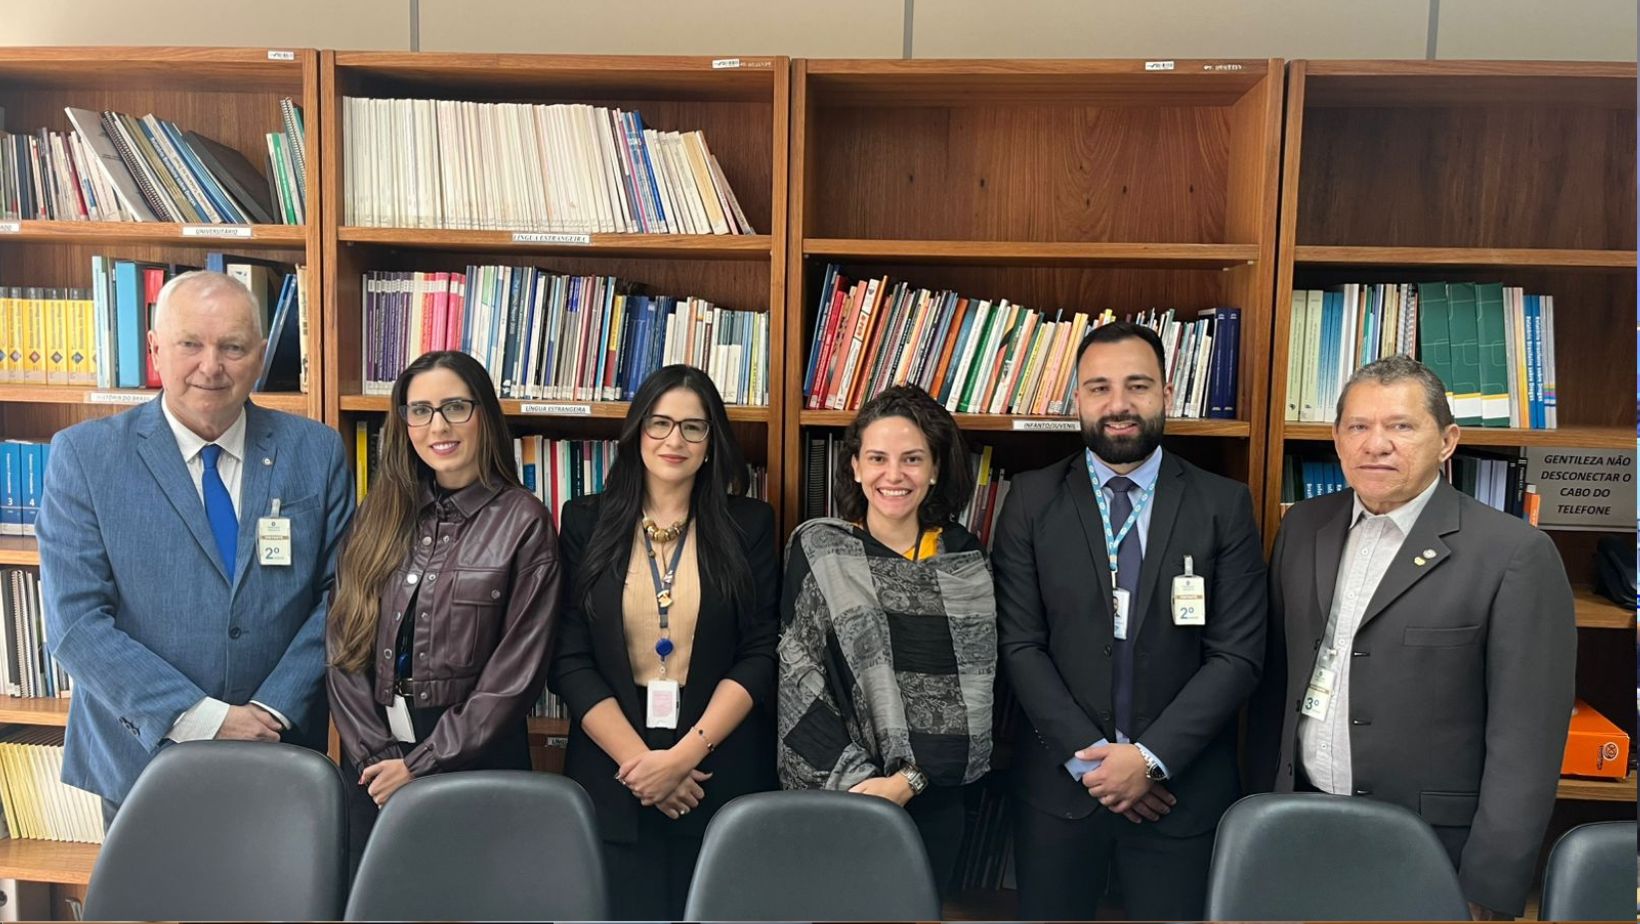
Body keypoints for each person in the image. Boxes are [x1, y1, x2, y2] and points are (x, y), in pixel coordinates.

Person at [1247, 354, 1574, 920]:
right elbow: (1276, 682)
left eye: (1401, 426)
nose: (1376, 445)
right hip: (1299, 822)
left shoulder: (1514, 554)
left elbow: (1527, 743)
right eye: (1358, 426)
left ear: (1447, 441)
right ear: (1336, 439)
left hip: (1433, 850)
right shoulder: (1302, 526)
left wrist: (1488, 885)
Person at [37, 270, 354, 824]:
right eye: (190, 344)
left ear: (260, 355)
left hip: (279, 749)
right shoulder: (85, 456)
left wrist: (270, 711)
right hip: (142, 758)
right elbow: (75, 623)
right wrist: (204, 719)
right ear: (155, 349)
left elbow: (344, 596)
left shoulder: (317, 451)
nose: (211, 366)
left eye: (233, 347)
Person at [991, 322, 1266, 921]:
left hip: (1180, 794)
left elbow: (1237, 657)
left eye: (1137, 386)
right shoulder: (1031, 500)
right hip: (1060, 795)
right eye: (1099, 388)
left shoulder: (1223, 504)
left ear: (1167, 393)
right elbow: (1019, 645)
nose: (1118, 404)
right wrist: (1097, 766)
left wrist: (1148, 760)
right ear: (1077, 400)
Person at [547, 364, 778, 920]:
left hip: (716, 764)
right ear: (636, 432)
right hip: (614, 768)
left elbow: (761, 651)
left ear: (712, 442)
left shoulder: (750, 524)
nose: (675, 440)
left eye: (693, 427)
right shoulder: (585, 521)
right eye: (660, 423)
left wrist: (682, 758)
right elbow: (568, 656)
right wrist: (642, 765)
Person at [326, 350, 559, 858]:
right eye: (421, 410)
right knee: (380, 895)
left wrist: (421, 764)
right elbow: (343, 647)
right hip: (375, 760)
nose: (438, 426)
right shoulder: (378, 514)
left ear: (484, 415)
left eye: (455, 407)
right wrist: (378, 757)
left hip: (476, 757)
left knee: (474, 893)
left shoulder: (524, 522)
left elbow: (515, 675)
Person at [777, 383, 995, 899]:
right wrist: (859, 783)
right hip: (837, 796)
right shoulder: (819, 548)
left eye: (912, 459)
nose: (893, 475)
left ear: (935, 468)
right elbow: (797, 676)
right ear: (855, 466)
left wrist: (906, 782)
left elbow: (974, 693)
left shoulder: (965, 561)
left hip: (932, 800)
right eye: (877, 458)